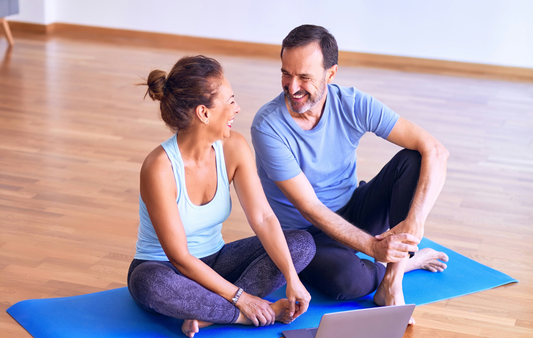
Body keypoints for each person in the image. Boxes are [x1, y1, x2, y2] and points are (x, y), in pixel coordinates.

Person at [251, 25, 450, 325]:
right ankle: (407, 263)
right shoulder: (268, 126)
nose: (292, 87)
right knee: (348, 282)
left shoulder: (353, 103)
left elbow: (436, 150)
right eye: (286, 74)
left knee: (413, 159)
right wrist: (373, 247)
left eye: (304, 77)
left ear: (330, 74)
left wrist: (415, 223)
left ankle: (392, 283)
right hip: (307, 236)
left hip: (354, 209)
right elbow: (311, 208)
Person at [127, 55, 316, 338]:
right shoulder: (159, 167)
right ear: (203, 113)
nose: (237, 108)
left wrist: (291, 277)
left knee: (301, 244)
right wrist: (242, 299)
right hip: (166, 269)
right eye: (229, 102)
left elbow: (263, 218)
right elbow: (179, 258)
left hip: (217, 261)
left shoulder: (234, 148)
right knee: (150, 284)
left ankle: (206, 316)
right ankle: (239, 316)